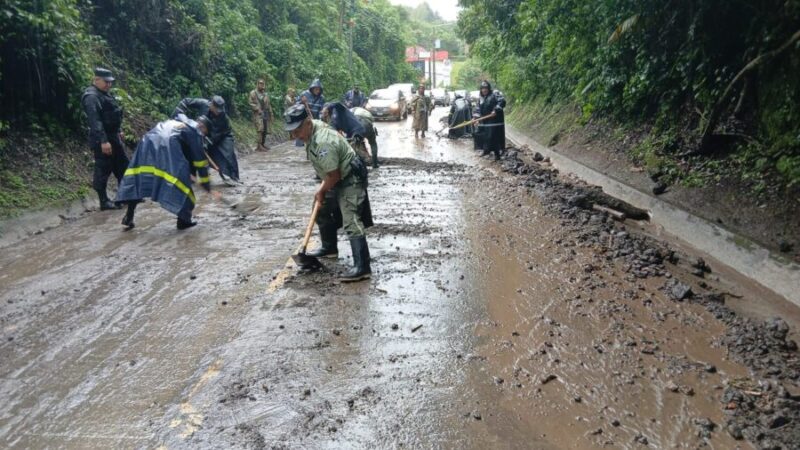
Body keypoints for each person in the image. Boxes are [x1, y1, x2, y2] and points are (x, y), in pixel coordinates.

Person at [284, 104, 373, 282]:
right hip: (335, 176)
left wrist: (322, 189)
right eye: (291, 132)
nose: (295, 136)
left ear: (308, 123)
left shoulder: (322, 141)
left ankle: (362, 267)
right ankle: (329, 247)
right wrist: (322, 193)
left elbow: (334, 175)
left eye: (297, 130)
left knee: (351, 219)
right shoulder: (312, 130)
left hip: (349, 178)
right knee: (321, 207)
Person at [115, 115, 215, 230]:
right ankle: (184, 220)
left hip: (148, 141)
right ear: (203, 127)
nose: (203, 136)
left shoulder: (181, 120)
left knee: (140, 178)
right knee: (183, 186)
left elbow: (186, 153)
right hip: (167, 145)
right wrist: (206, 183)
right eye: (205, 133)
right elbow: (200, 162)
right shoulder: (196, 130)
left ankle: (129, 215)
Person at [82, 67, 127, 210]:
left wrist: (119, 130)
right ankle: (104, 201)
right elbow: (95, 121)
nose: (109, 85)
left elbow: (113, 114)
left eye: (110, 82)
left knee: (123, 166)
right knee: (103, 169)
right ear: (96, 80)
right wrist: (103, 141)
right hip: (102, 139)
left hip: (113, 136)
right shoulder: (91, 96)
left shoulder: (105, 94)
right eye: (106, 82)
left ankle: (125, 196)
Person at [173, 96, 240, 182]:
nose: (217, 112)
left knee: (228, 155)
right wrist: (179, 111)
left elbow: (218, 134)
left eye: (219, 110)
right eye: (216, 109)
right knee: (191, 149)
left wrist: (206, 143)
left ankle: (233, 176)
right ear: (211, 105)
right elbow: (186, 101)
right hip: (202, 132)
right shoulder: (203, 104)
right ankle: (192, 175)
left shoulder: (223, 117)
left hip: (222, 135)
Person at [472, 81, 506, 160]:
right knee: (484, 136)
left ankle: (497, 154)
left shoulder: (494, 94)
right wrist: (475, 118)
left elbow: (502, 101)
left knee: (494, 138)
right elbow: (477, 109)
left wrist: (496, 110)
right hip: (485, 122)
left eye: (486, 88)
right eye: (482, 88)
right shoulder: (480, 98)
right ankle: (485, 150)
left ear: (489, 88)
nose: (484, 90)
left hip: (494, 122)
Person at [248, 79, 273, 151]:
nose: (262, 85)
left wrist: (271, 114)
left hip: (265, 113)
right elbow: (250, 103)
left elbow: (269, 105)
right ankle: (259, 145)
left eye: (263, 84)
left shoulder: (265, 94)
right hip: (257, 114)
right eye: (260, 84)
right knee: (260, 129)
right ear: (257, 84)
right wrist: (257, 108)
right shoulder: (253, 93)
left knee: (265, 129)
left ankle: (262, 144)